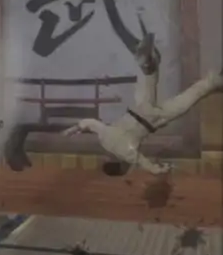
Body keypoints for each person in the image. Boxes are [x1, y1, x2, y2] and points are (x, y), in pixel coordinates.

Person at [62, 29, 223, 175]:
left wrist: (163, 169)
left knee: (188, 98)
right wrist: (74, 129)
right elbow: (91, 123)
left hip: (151, 119)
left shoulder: (128, 155)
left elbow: (149, 166)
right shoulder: (104, 138)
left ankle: (152, 66)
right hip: (136, 110)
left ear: (121, 166)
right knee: (151, 84)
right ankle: (151, 65)